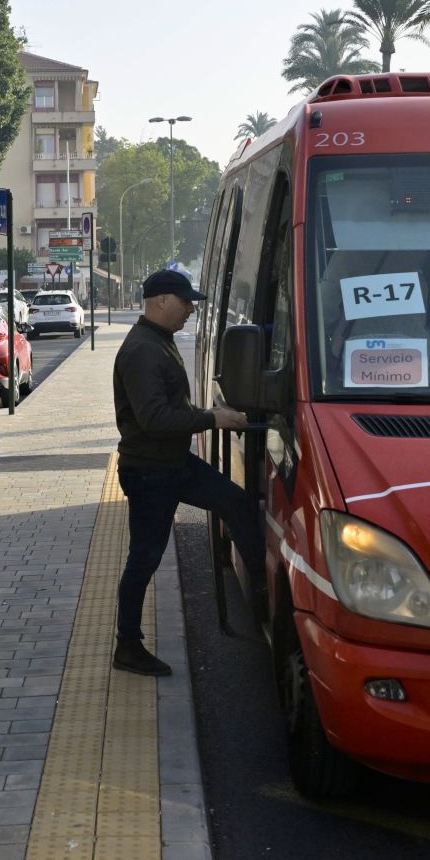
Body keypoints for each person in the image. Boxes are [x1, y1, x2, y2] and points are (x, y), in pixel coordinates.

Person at [112, 270, 257, 676]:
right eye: (186, 301)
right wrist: (212, 418)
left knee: (235, 501)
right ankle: (127, 645)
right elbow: (154, 418)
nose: (192, 308)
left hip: (172, 464)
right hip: (151, 471)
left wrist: (214, 416)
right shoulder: (143, 350)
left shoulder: (158, 341)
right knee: (144, 558)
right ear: (160, 300)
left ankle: (262, 588)